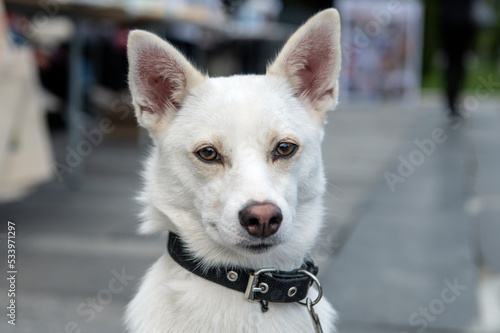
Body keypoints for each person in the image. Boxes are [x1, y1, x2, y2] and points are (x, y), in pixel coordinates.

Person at [438, 0, 477, 117]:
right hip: (461, 25)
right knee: (458, 65)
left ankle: (452, 98)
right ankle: (453, 98)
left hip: (452, 24)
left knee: (453, 65)